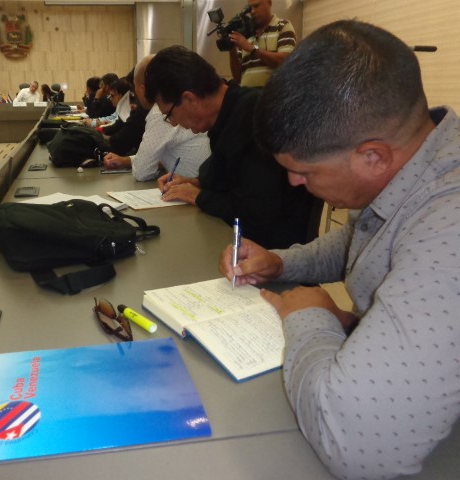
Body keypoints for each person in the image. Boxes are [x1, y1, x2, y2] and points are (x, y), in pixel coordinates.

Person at [218, 20, 460, 480]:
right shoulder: (417, 161)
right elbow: (361, 239)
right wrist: (281, 262)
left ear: (373, 156)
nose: (293, 182)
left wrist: (311, 315)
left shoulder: (450, 222)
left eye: (304, 172)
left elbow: (359, 444)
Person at [144, 45, 316, 249]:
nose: (173, 123)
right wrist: (194, 183)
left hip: (271, 252)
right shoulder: (229, 114)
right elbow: (228, 179)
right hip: (238, 240)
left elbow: (256, 211)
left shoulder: (254, 119)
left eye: (170, 114)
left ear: (190, 99)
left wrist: (198, 196)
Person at [103, 55, 210, 181]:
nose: (173, 122)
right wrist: (128, 161)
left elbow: (142, 172)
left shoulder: (160, 112)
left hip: (194, 187)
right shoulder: (177, 101)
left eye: (134, 89)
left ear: (142, 89)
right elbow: (160, 155)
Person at [228, 0, 296, 88]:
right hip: (247, 95)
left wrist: (251, 49)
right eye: (250, 8)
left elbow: (286, 63)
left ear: (269, 3)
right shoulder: (246, 34)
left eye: (256, 6)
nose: (252, 11)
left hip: (272, 95)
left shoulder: (283, 26)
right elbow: (237, 78)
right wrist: (232, 49)